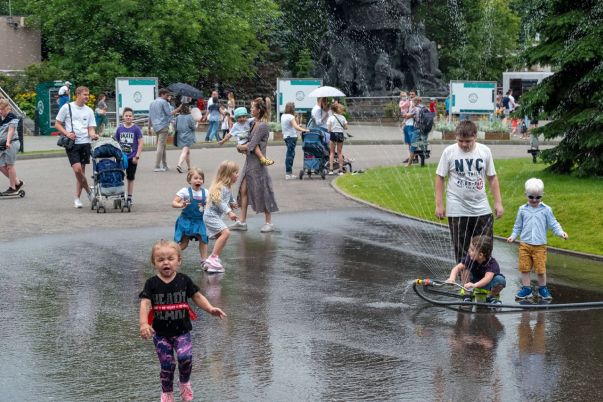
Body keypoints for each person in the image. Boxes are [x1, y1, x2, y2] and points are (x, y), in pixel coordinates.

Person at [139, 239, 226, 402]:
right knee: (167, 365)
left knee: (185, 359)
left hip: (182, 333)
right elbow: (145, 303)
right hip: (161, 335)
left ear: (179, 261)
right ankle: (167, 393)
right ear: (154, 263)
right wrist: (144, 323)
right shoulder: (151, 283)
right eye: (161, 260)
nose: (166, 263)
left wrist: (210, 308)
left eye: (170, 259)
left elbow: (197, 296)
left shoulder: (184, 280)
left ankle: (185, 382)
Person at [435, 120, 504, 263]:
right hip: (457, 208)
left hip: (481, 208)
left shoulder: (484, 151)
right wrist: (439, 205)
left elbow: (492, 177)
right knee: (462, 251)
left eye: (468, 141)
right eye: (460, 141)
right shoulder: (449, 152)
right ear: (456, 137)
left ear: (475, 137)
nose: (464, 144)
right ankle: (465, 284)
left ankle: (483, 282)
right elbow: (440, 177)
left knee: (484, 249)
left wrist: (498, 202)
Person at [507, 178, 568, 300]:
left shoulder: (546, 210)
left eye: (538, 197)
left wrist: (561, 233)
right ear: (526, 194)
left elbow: (553, 223)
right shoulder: (522, 209)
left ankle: (542, 289)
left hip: (540, 246)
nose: (534, 200)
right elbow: (518, 225)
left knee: (540, 269)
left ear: (542, 195)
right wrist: (513, 236)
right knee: (525, 268)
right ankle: (526, 289)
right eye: (531, 197)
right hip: (524, 244)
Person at [231, 98, 279, 233]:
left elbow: (252, 145)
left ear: (258, 110)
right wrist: (241, 147)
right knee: (243, 190)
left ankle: (269, 222)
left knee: (262, 190)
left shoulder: (262, 125)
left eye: (252, 108)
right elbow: (247, 141)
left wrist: (239, 146)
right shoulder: (253, 123)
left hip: (257, 164)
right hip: (249, 162)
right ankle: (242, 221)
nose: (250, 110)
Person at [55, 86, 99, 208]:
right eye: (85, 94)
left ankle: (77, 199)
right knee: (77, 170)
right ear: (77, 95)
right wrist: (67, 133)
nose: (87, 96)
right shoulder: (67, 107)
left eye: (88, 94)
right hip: (72, 144)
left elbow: (90, 128)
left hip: (85, 143)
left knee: (81, 172)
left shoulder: (89, 110)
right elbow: (57, 124)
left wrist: (93, 135)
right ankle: (90, 192)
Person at [202, 160, 240, 273]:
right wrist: (229, 212)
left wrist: (233, 203)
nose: (238, 175)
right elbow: (219, 202)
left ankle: (211, 261)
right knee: (226, 233)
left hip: (214, 216)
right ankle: (212, 258)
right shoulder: (219, 187)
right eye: (235, 172)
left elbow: (229, 198)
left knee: (222, 237)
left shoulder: (227, 187)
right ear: (227, 174)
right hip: (210, 216)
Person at [446, 235, 506, 304]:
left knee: (501, 280)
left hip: (486, 285)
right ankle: (467, 294)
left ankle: (491, 297)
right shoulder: (470, 258)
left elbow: (487, 278)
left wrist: (475, 285)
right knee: (464, 269)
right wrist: (452, 278)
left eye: (472, 249)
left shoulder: (492, 264)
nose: (468, 251)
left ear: (480, 255)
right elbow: (456, 268)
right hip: (471, 283)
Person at [172, 168, 209, 267]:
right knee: (184, 244)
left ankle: (204, 261)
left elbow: (212, 204)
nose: (198, 180)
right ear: (189, 180)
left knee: (203, 239)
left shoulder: (205, 192)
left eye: (200, 178)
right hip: (186, 220)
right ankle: (171, 254)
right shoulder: (185, 191)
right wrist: (180, 205)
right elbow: (174, 202)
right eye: (195, 178)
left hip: (199, 220)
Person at [114, 107, 143, 204]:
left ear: (133, 117)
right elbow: (116, 142)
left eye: (130, 116)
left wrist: (137, 156)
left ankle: (129, 197)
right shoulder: (119, 129)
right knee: (120, 177)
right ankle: (122, 195)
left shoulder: (136, 129)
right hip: (122, 157)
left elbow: (140, 143)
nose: (128, 117)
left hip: (132, 157)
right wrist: (116, 155)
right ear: (123, 117)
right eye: (126, 116)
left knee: (130, 178)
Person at [149, 88, 181, 172]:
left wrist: (149, 127)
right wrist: (179, 108)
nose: (167, 97)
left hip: (156, 126)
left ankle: (165, 165)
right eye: (167, 95)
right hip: (163, 125)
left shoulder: (152, 103)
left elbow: (150, 116)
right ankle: (157, 166)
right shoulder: (164, 102)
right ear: (162, 94)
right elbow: (169, 113)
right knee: (160, 146)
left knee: (163, 146)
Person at [0, 99, 24, 195]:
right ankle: (17, 182)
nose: (0, 111)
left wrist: (8, 142)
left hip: (11, 143)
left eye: (1, 109)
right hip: (1, 145)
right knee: (1, 166)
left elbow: (11, 130)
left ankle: (13, 187)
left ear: (7, 108)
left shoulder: (12, 117)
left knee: (10, 165)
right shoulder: (1, 117)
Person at [281, 102, 309, 180]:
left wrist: (297, 125)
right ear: (292, 108)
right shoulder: (290, 116)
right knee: (290, 155)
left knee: (290, 154)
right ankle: (288, 173)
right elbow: (296, 127)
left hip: (286, 137)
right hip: (292, 137)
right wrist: (305, 130)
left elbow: (291, 126)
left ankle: (289, 173)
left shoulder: (283, 116)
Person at [174, 104, 201, 173]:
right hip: (188, 136)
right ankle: (179, 165)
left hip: (180, 136)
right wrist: (197, 124)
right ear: (187, 109)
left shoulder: (178, 117)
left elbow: (175, 127)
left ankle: (189, 167)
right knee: (185, 151)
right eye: (189, 107)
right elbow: (193, 128)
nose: (190, 109)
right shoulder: (189, 117)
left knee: (187, 152)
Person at [326, 102, 348, 175]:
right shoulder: (343, 117)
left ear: (332, 110)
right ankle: (341, 170)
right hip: (340, 135)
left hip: (333, 134)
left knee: (332, 152)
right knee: (339, 152)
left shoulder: (331, 118)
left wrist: (332, 128)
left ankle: (331, 169)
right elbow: (346, 127)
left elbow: (328, 129)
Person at [404, 96, 425, 167]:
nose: (412, 103)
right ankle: (423, 159)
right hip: (424, 130)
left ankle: (409, 164)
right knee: (420, 144)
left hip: (417, 129)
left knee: (412, 146)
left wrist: (405, 113)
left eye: (413, 102)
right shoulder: (424, 108)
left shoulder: (415, 109)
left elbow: (407, 116)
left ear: (416, 102)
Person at [401, 90, 418, 164]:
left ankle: (415, 157)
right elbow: (406, 112)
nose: (411, 95)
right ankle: (411, 157)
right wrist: (404, 121)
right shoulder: (409, 102)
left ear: (416, 95)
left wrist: (408, 116)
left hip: (412, 125)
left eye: (413, 94)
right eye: (410, 94)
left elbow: (415, 113)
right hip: (407, 124)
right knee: (409, 142)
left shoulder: (416, 104)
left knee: (413, 142)